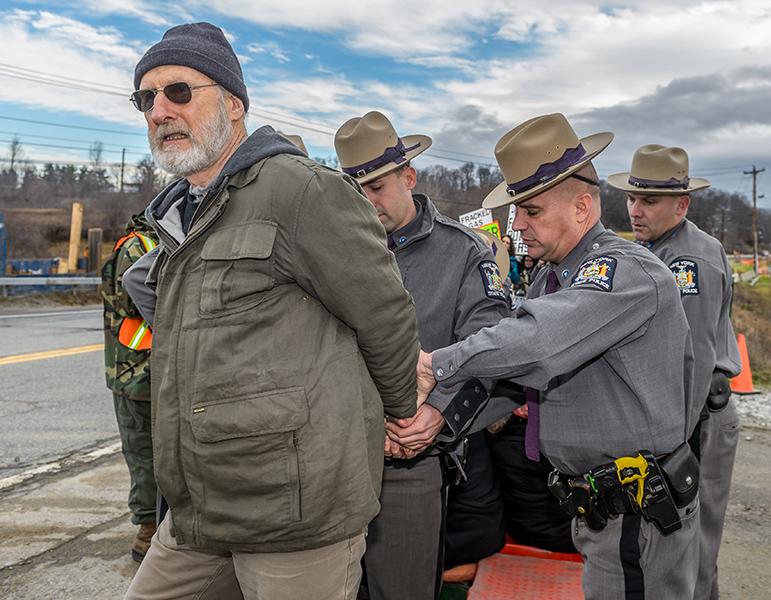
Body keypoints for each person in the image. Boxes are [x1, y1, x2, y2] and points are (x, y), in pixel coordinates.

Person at [120, 22, 420, 600]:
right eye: (146, 98)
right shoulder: (180, 213)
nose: (159, 110)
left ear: (234, 105)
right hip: (199, 509)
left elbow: (383, 314)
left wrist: (399, 413)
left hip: (294, 513)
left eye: (179, 91)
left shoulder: (300, 190)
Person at [415, 113, 701, 599]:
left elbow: (535, 341)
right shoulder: (555, 276)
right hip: (600, 510)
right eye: (517, 212)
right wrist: (438, 418)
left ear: (583, 207)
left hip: (636, 513)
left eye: (532, 211)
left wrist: (434, 363)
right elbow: (519, 381)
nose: (518, 225)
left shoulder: (623, 273)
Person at [335, 110, 509, 600]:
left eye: (378, 187)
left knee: (403, 588)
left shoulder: (463, 253)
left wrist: (438, 414)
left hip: (409, 464)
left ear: (408, 177)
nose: (367, 203)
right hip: (332, 459)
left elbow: (496, 348)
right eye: (355, 191)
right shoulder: (329, 251)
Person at [609, 145, 742, 600]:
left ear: (681, 204)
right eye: (632, 198)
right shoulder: (653, 249)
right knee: (670, 546)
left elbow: (694, 361)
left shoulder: (690, 262)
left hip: (698, 415)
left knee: (694, 543)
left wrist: (674, 444)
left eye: (649, 201)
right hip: (680, 416)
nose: (635, 210)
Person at [100, 210, 158, 562]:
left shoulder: (156, 242)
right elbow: (135, 301)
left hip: (155, 369)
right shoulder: (138, 247)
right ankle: (148, 531)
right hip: (133, 373)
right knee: (144, 456)